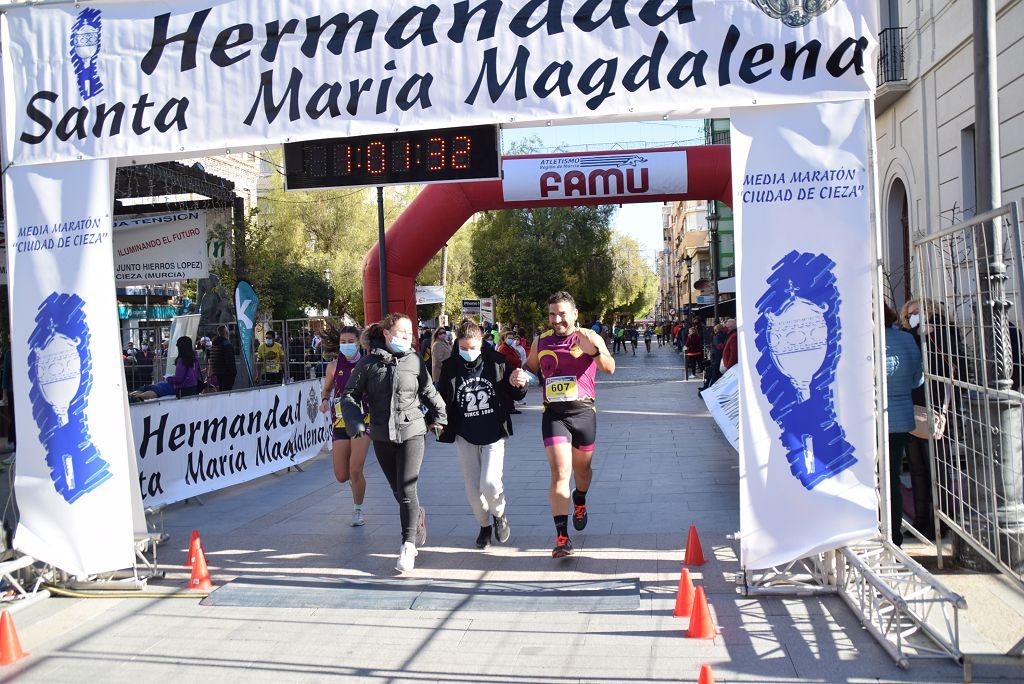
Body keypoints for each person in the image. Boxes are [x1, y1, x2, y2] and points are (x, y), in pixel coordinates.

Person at [340, 313, 447, 573]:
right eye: (401, 334)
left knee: (408, 489)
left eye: (409, 334)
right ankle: (417, 518)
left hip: (412, 432)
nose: (406, 338)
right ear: (387, 334)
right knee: (398, 491)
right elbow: (349, 395)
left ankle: (408, 545)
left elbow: (428, 390)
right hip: (381, 435)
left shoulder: (413, 360)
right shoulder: (367, 363)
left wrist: (440, 415)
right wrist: (355, 423)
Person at [517, 291, 615, 558]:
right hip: (554, 414)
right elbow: (529, 368)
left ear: (574, 313)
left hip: (583, 413)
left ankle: (580, 499)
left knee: (582, 470)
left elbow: (610, 367)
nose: (556, 319)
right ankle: (562, 537)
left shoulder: (588, 337)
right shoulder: (542, 340)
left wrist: (593, 351)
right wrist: (520, 376)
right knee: (560, 472)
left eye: (562, 313)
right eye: (552, 314)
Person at [438, 319, 528, 549]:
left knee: (489, 483)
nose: (468, 352)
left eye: (473, 347)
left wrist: (519, 384)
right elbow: (441, 397)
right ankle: (484, 526)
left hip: (493, 432)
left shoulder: (497, 362)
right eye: (464, 348)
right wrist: (434, 420)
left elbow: (515, 393)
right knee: (472, 490)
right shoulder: (450, 366)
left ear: (482, 343)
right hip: (465, 434)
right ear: (457, 344)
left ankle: (499, 514)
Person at [321, 326, 372, 527]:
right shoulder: (333, 366)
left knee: (356, 469)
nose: (347, 345)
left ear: (359, 342)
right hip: (340, 422)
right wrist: (324, 400)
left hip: (363, 420)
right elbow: (326, 389)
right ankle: (354, 482)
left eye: (351, 341)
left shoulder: (367, 364)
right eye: (343, 341)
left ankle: (358, 510)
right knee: (342, 476)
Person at [884, 302, 924, 546]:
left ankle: (876, 530)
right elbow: (916, 379)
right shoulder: (908, 340)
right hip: (900, 420)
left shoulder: (867, 343)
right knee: (892, 481)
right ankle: (894, 536)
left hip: (873, 420)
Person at [130, 336, 203, 401]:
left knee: (153, 388)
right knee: (154, 388)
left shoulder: (182, 360)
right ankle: (134, 395)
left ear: (181, 347)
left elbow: (179, 379)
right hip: (193, 389)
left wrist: (169, 378)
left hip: (182, 390)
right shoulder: (195, 360)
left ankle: (133, 396)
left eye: (177, 346)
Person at [496, 330, 523, 414]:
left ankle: (510, 407)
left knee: (510, 391)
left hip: (511, 370)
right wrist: (518, 360)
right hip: (507, 371)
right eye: (509, 338)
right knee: (508, 392)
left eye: (512, 338)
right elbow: (508, 359)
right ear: (505, 338)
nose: (511, 339)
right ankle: (509, 408)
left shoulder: (509, 347)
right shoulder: (504, 347)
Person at [209, 325, 237, 391]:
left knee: (221, 394)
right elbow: (230, 362)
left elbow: (212, 359)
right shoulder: (227, 345)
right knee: (227, 394)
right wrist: (233, 373)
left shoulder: (214, 345)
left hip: (217, 374)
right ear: (226, 332)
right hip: (226, 375)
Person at [701, 324, 727, 391]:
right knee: (711, 374)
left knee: (714, 374)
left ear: (717, 329)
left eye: (715, 329)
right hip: (715, 357)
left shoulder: (718, 336)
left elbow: (719, 347)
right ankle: (706, 387)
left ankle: (709, 389)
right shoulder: (720, 335)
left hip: (716, 358)